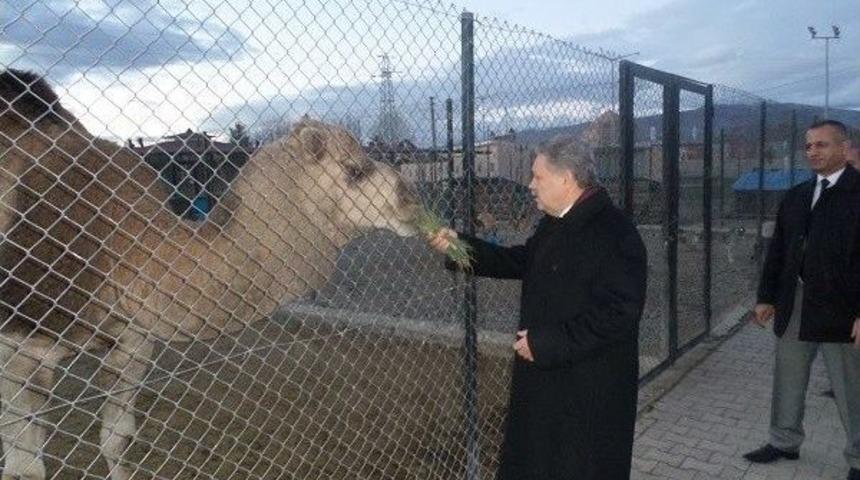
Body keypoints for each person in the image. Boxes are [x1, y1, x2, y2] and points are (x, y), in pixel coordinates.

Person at [428, 135, 647, 480]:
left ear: (567, 178)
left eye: (538, 176)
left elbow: (619, 313)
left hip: (589, 392)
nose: (530, 185)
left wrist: (546, 342)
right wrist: (460, 249)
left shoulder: (614, 233)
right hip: (550, 381)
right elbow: (523, 260)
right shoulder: (557, 223)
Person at [744, 120, 860, 480]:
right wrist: (766, 297)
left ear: (844, 148)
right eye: (809, 146)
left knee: (851, 386)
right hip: (794, 303)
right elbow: (778, 249)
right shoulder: (797, 194)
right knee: (788, 377)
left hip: (843, 308)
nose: (813, 152)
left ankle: (857, 459)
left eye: (822, 145)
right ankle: (784, 441)